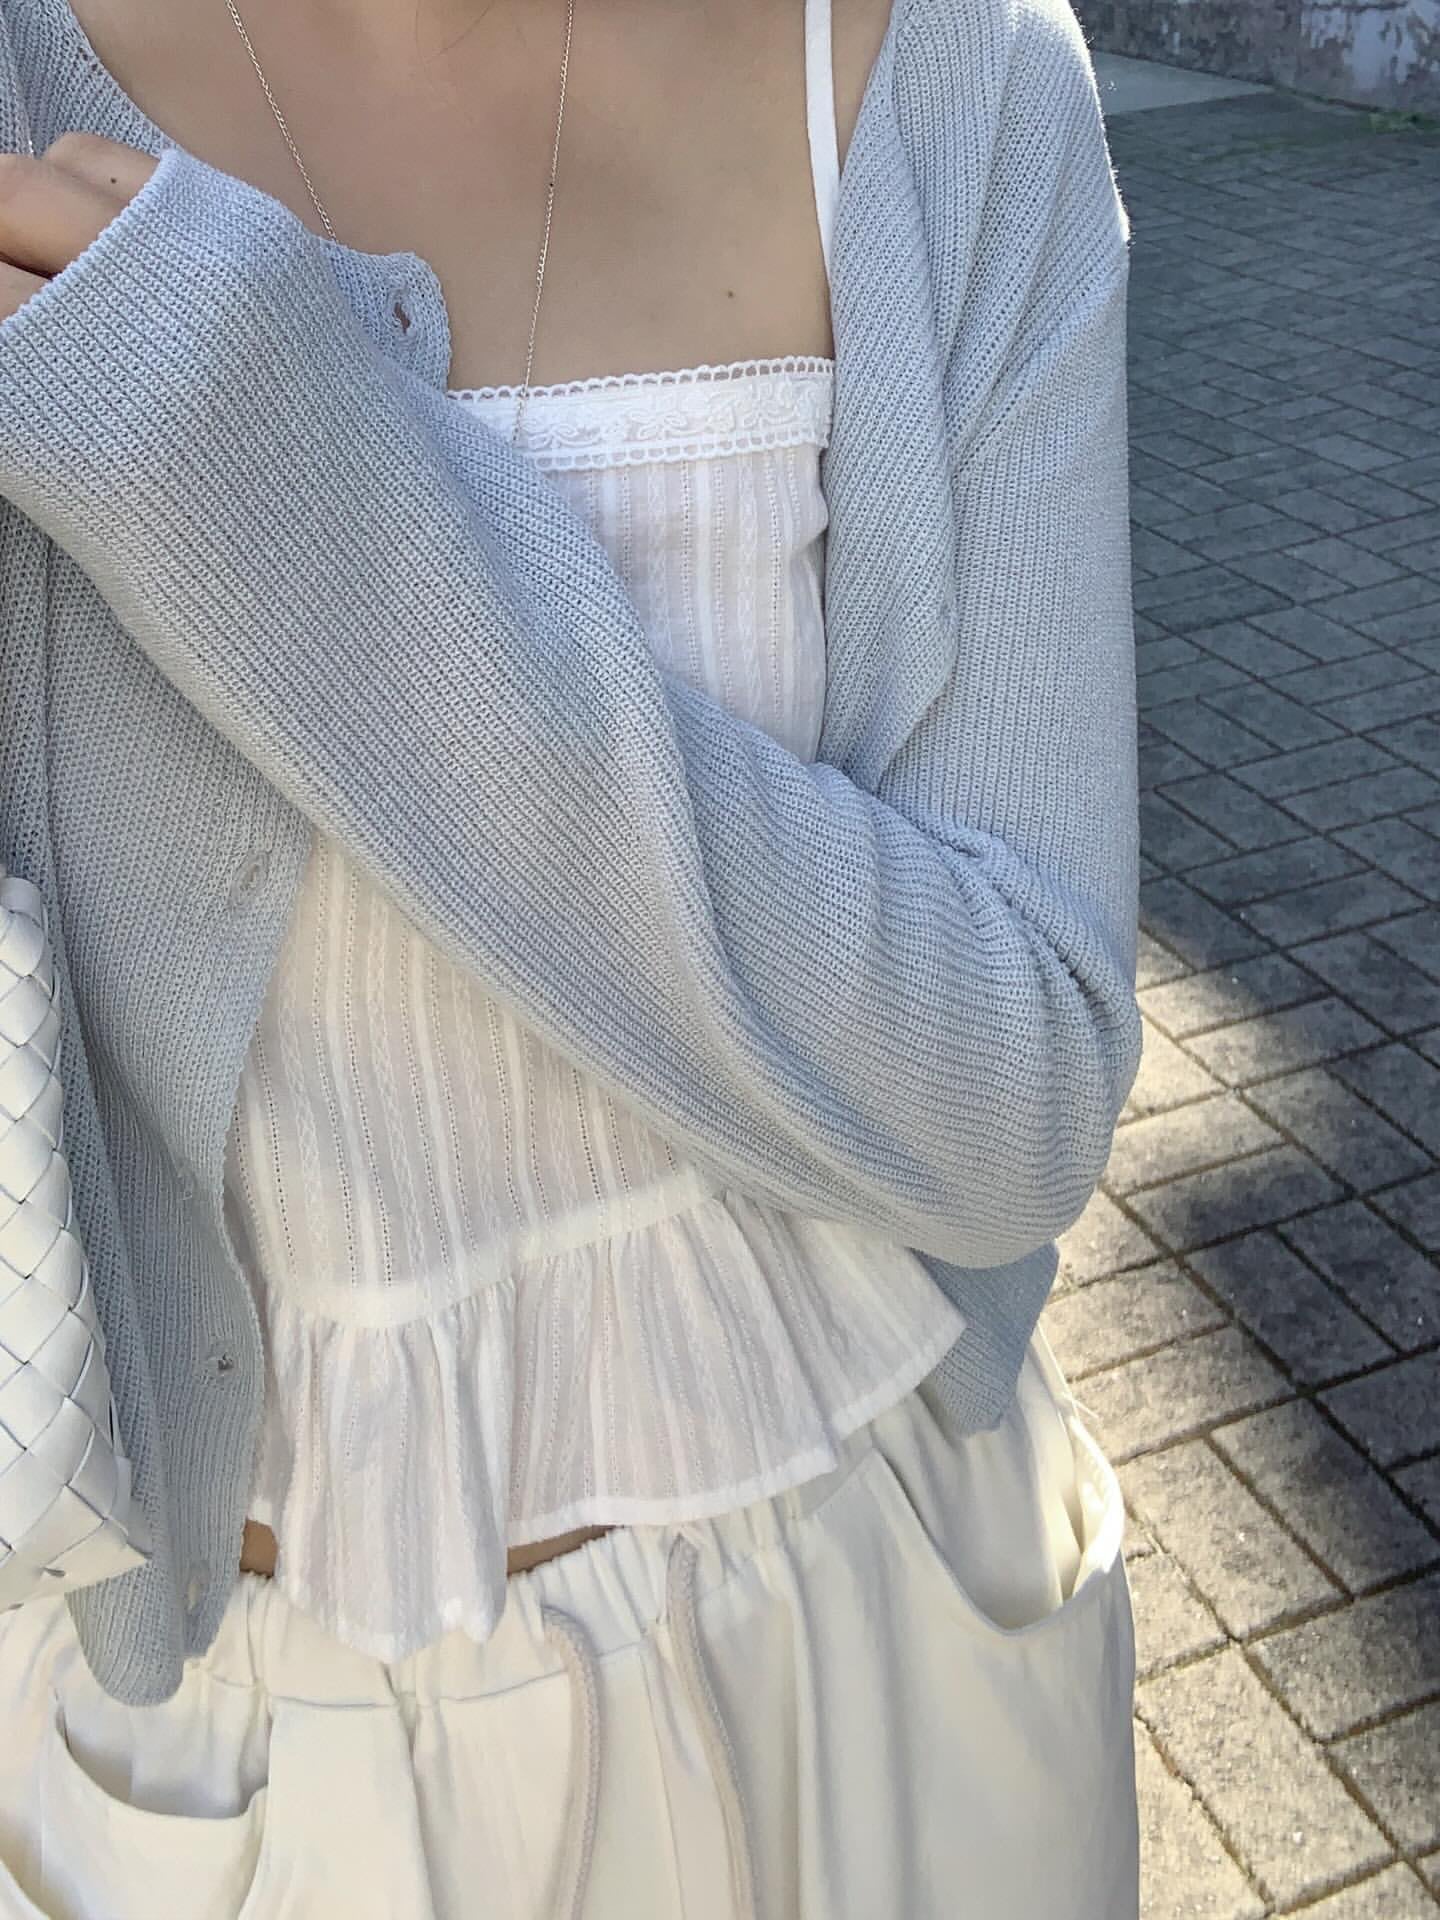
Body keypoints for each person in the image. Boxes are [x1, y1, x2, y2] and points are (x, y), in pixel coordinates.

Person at [0, 0, 1143, 1911]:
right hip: (217, 1766)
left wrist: (288, 496)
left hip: (891, 1650)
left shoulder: (950, 72)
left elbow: (1015, 1096)